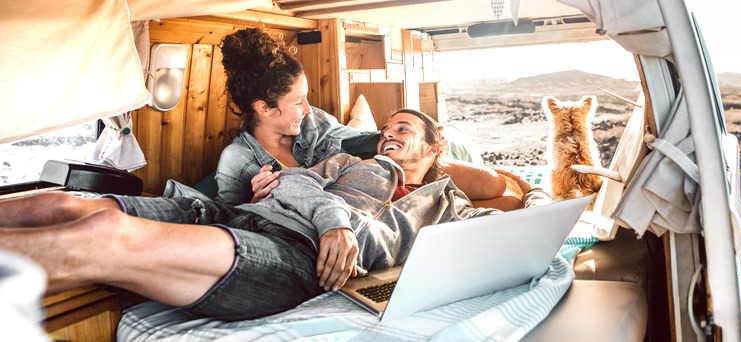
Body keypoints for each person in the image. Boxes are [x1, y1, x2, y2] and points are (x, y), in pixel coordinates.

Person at [0, 110, 526, 321]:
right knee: (64, 203)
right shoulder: (349, 159)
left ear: (437, 147)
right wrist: (334, 219)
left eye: (405, 128)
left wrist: (443, 168)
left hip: (292, 256)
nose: (390, 132)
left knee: (106, 232)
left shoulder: (445, 204)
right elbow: (299, 180)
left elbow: (515, 195)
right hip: (237, 214)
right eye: (387, 125)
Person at [214, 27, 531, 210]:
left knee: (497, 185)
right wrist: (258, 201)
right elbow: (232, 225)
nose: (308, 109)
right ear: (264, 108)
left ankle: (530, 191)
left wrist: (406, 144)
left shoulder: (313, 122)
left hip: (385, 163)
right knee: (505, 207)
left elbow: (359, 140)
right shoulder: (238, 162)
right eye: (298, 101)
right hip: (359, 206)